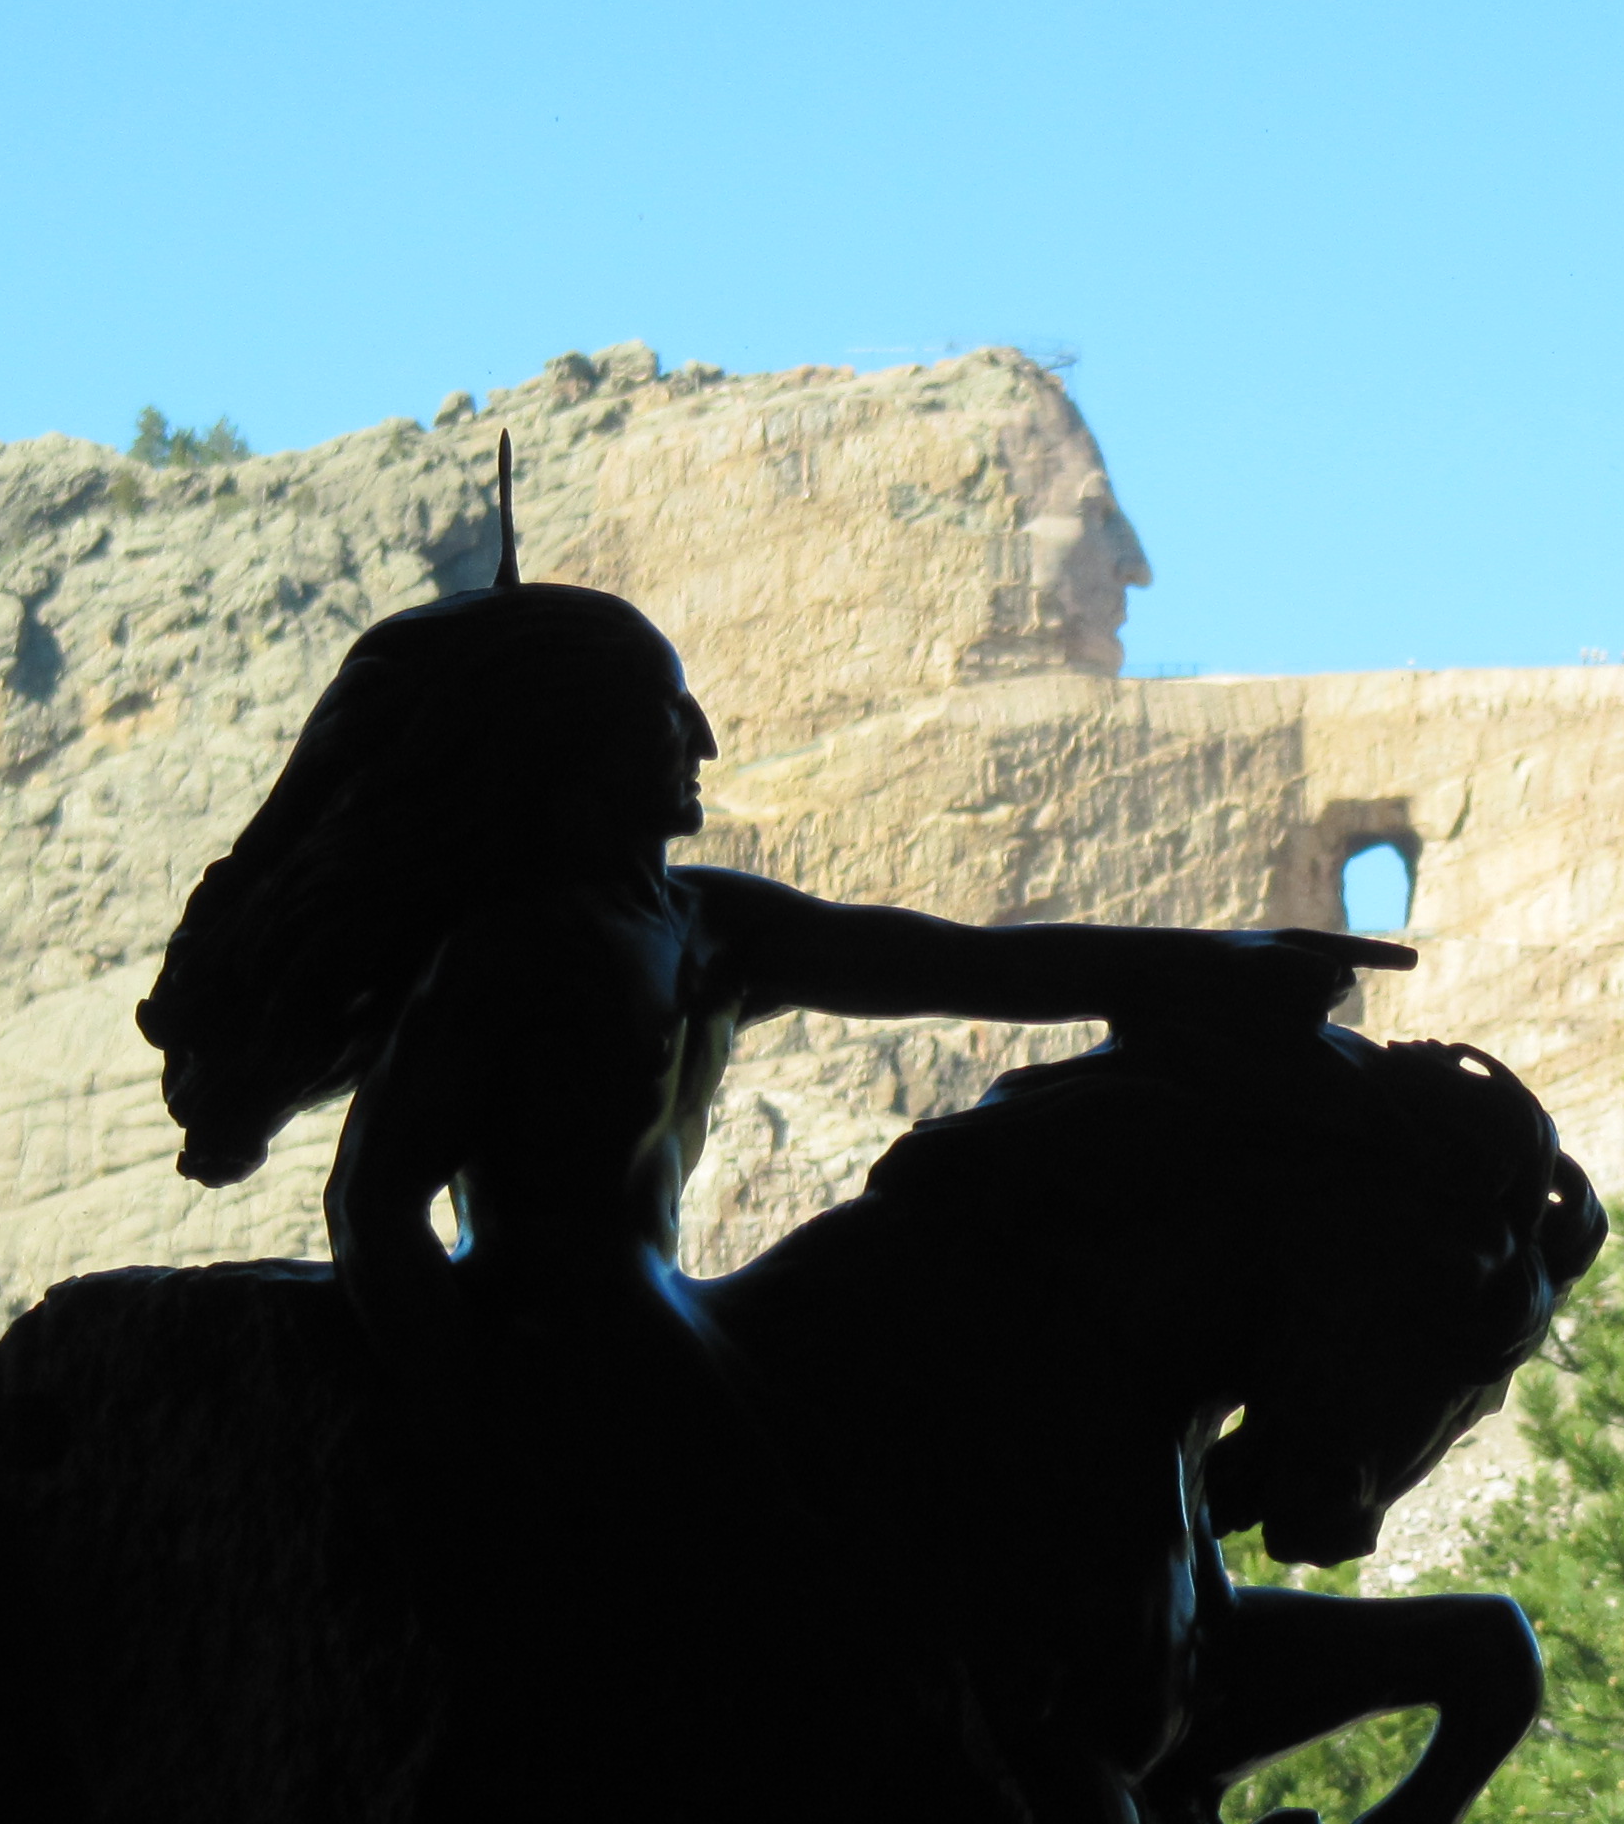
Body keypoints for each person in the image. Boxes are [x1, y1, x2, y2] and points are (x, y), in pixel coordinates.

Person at [135, 434, 1406, 1408]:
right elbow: (371, 1206)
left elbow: (958, 963)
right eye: (665, 711)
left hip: (678, 1323)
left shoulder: (705, 924)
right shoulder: (512, 952)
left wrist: (1219, 963)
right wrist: (472, 1430)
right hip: (569, 1364)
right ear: (567, 747)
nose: (703, 738)